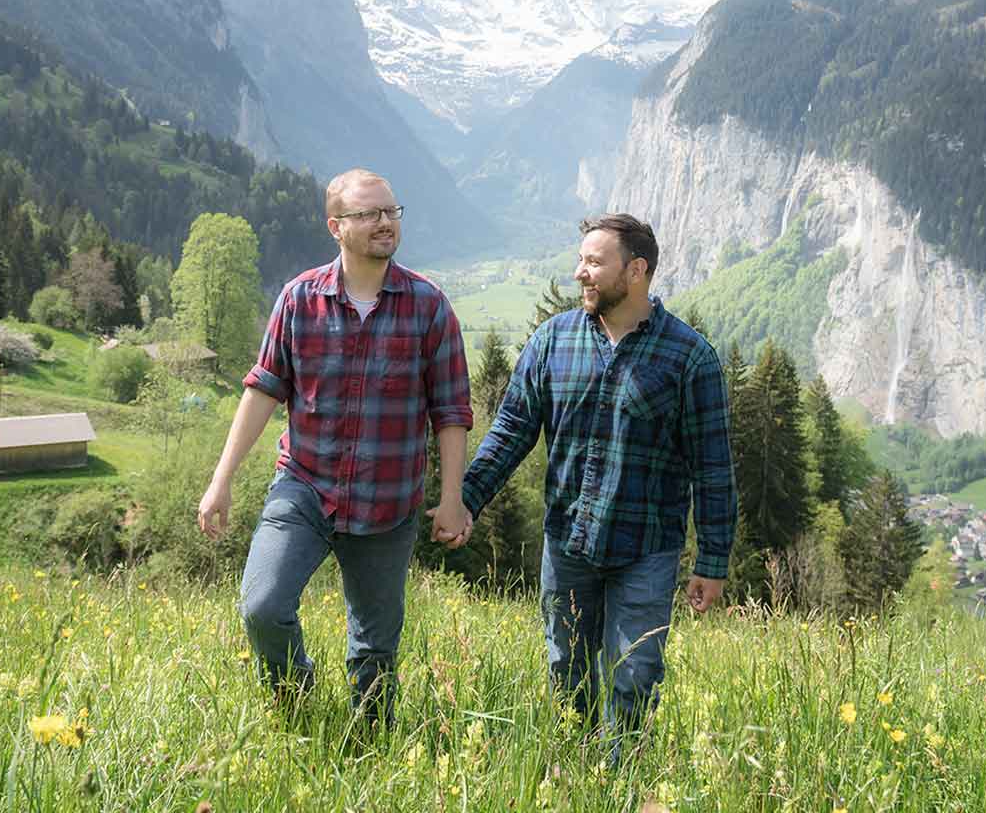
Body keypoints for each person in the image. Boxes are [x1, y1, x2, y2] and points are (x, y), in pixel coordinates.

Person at [197, 168, 473, 726]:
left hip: (388, 502)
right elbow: (262, 390)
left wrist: (452, 497)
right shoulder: (299, 299)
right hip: (304, 486)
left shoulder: (429, 306)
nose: (384, 223)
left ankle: (370, 750)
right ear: (336, 227)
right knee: (263, 606)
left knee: (374, 651)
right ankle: (295, 704)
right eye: (368, 214)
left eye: (391, 211)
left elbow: (451, 413)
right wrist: (220, 479)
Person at [452, 213, 735, 755]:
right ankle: (574, 776)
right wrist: (465, 500)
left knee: (634, 679)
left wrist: (713, 561)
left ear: (636, 271)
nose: (580, 273)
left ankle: (620, 786)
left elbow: (713, 467)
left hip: (647, 551)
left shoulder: (689, 357)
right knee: (566, 674)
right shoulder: (552, 341)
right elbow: (512, 430)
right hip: (568, 545)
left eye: (593, 262)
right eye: (580, 260)